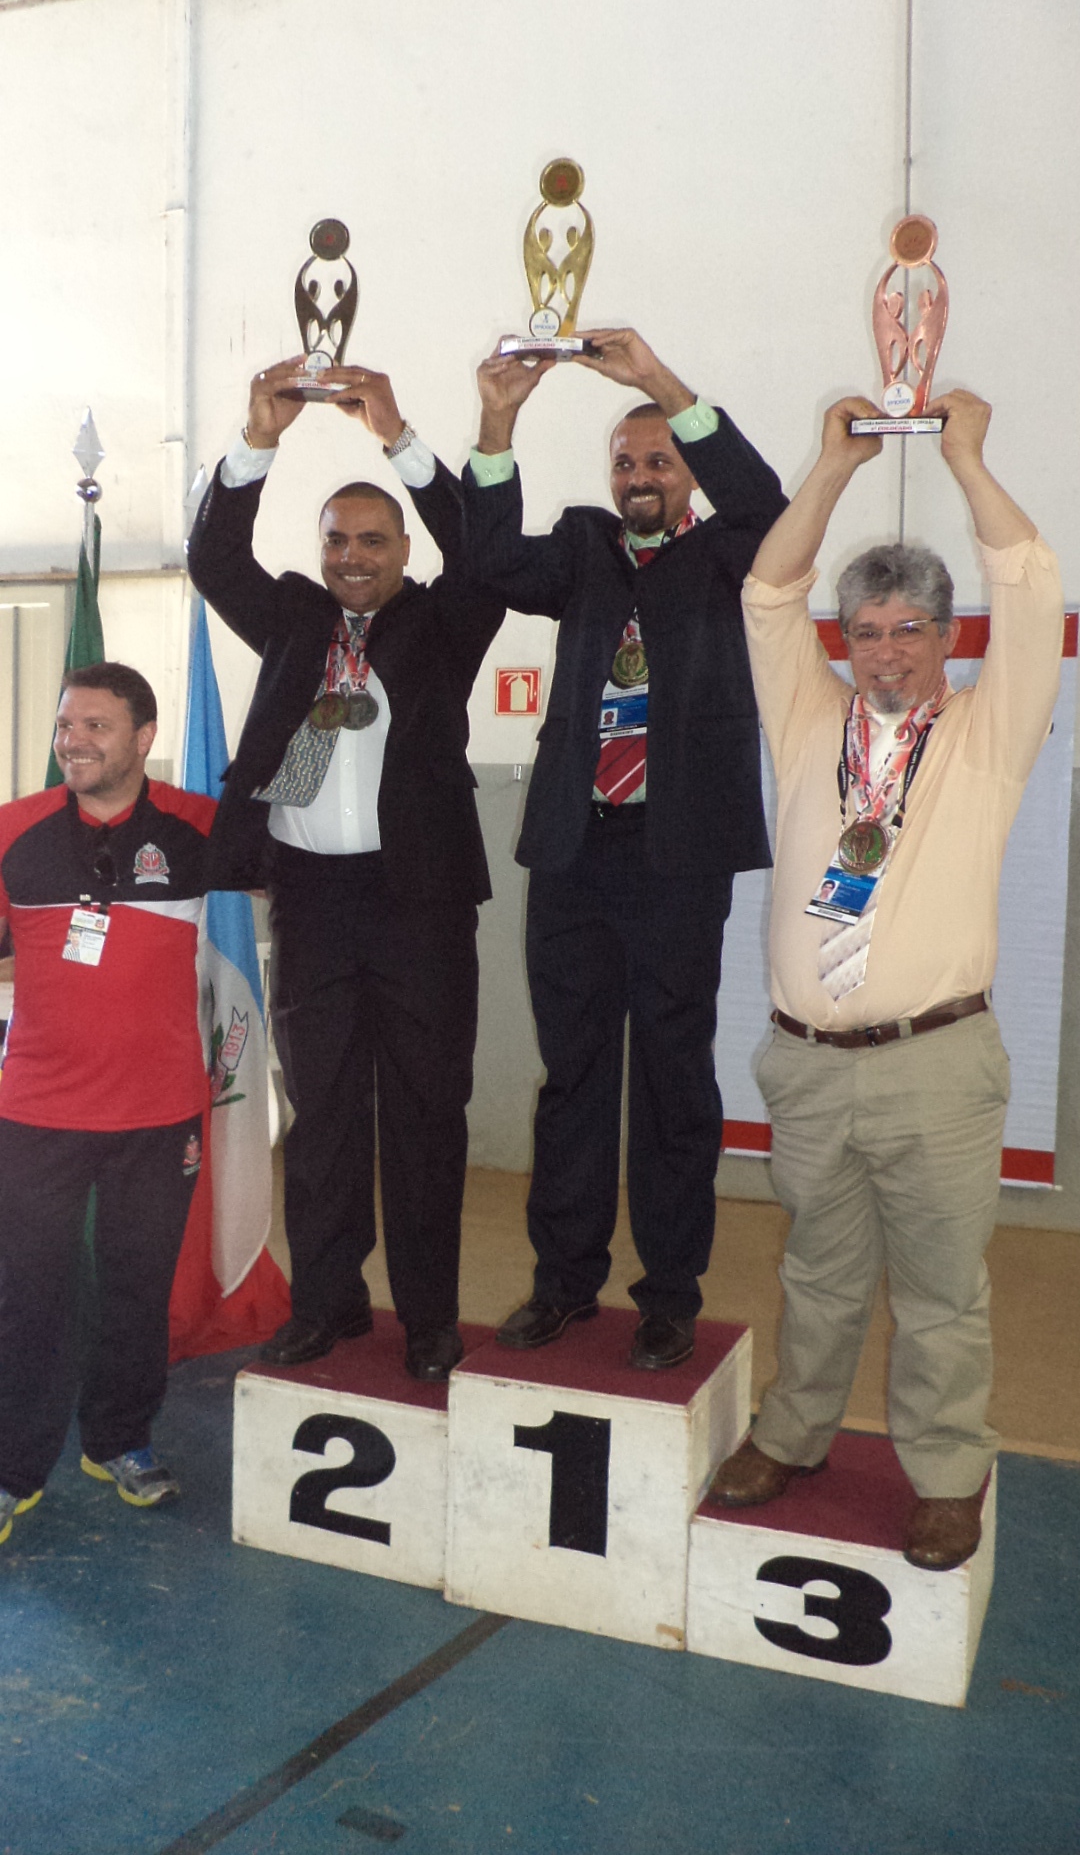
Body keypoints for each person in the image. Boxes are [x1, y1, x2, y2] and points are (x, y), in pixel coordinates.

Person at [708, 390, 1063, 1569]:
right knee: (816, 1269)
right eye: (869, 630)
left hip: (935, 1065)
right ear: (846, 643)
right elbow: (767, 595)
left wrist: (965, 459)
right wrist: (827, 470)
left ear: (945, 639)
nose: (891, 648)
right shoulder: (808, 724)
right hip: (806, 1065)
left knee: (943, 1290)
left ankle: (949, 1472)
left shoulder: (987, 735)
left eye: (913, 628)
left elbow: (1025, 577)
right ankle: (796, 1435)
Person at [461, 329, 787, 1369]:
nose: (639, 476)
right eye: (625, 461)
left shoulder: (729, 553)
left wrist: (659, 384)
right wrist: (500, 421)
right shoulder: (583, 549)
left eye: (659, 461)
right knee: (575, 1078)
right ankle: (563, 1284)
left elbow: (768, 510)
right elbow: (491, 561)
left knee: (674, 1079)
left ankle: (670, 1296)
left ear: (687, 476)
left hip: (678, 854)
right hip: (573, 850)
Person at [187, 360, 504, 1382]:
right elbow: (210, 554)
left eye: (374, 540)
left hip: (418, 905)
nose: (354, 556)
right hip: (314, 903)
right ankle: (329, 1305)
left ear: (404, 547)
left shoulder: (445, 621)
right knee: (320, 1112)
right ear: (318, 549)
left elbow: (487, 547)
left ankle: (431, 1318)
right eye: (337, 539)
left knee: (422, 1113)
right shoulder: (291, 617)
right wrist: (258, 437)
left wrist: (400, 434)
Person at [0, 664, 216, 1545]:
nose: (73, 739)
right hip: (36, 1113)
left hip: (160, 1113)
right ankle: (12, 1471)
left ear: (143, 737)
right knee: (28, 1295)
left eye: (95, 724)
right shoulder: (15, 830)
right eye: (64, 724)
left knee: (136, 1288)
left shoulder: (201, 828)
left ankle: (120, 1440)